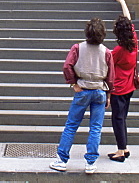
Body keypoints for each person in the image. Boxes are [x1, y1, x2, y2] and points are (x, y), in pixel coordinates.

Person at [49, 17, 115, 176]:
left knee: (71, 125)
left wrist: (74, 83)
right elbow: (111, 76)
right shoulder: (106, 52)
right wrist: (109, 94)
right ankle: (90, 162)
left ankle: (62, 159)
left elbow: (67, 66)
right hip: (99, 90)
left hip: (83, 89)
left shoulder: (77, 48)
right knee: (96, 128)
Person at [108, 0, 138, 162]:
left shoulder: (118, 51)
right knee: (122, 117)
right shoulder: (134, 41)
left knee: (117, 119)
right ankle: (124, 148)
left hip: (119, 89)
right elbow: (128, 20)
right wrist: (122, 1)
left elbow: (108, 65)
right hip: (130, 86)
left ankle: (121, 150)